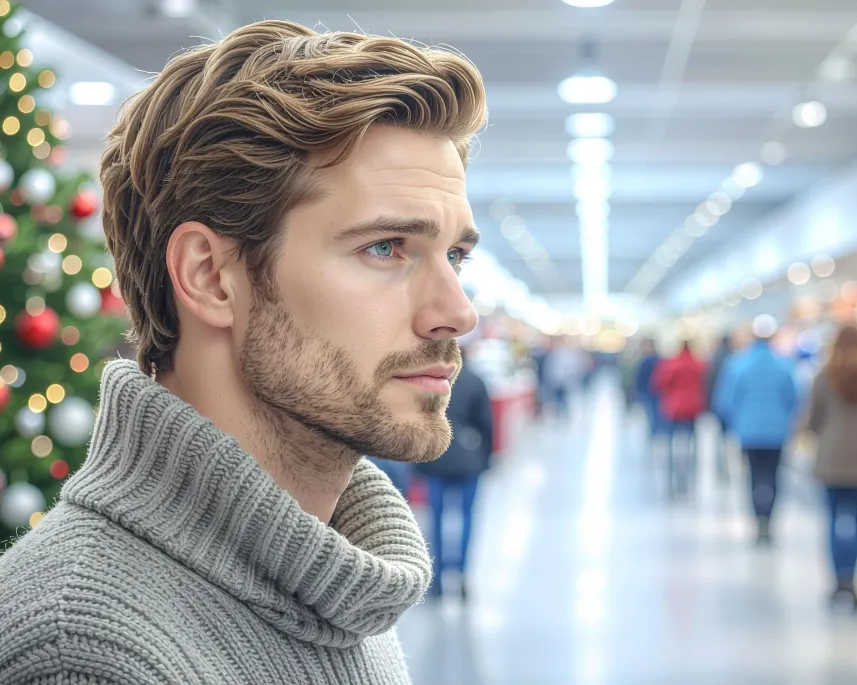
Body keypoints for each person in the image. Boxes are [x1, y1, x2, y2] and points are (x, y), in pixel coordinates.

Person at [0, 21, 486, 684]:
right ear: (209, 275)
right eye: (386, 247)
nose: (457, 313)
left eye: (455, 255)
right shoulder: (84, 655)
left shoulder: (338, 591)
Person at [807, 325, 857, 611]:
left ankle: (837, 580)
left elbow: (813, 420)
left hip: (831, 458)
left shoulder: (823, 377)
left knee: (832, 520)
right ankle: (854, 578)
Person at [415, 349, 494, 600]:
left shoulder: (429, 380)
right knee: (466, 517)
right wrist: (486, 458)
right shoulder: (476, 381)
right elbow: (487, 425)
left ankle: (436, 578)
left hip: (436, 459)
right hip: (469, 461)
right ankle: (461, 574)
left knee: (436, 518)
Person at [714, 315, 800, 545]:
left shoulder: (738, 363)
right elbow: (794, 398)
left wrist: (733, 424)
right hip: (777, 432)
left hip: (749, 431)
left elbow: (726, 401)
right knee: (773, 476)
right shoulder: (784, 364)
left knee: (753, 475)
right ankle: (769, 518)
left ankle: (757, 519)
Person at [652, 340, 707, 497]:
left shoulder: (672, 364)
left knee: (671, 442)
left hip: (674, 406)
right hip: (693, 406)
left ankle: (672, 477)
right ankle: (690, 475)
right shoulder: (698, 364)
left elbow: (660, 383)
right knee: (691, 441)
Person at [705, 334, 734, 481]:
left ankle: (721, 467)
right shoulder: (735, 359)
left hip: (718, 403)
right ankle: (729, 467)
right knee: (731, 438)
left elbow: (709, 381)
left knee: (720, 437)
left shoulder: (715, 359)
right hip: (731, 405)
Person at [635, 339, 667, 441]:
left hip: (653, 391)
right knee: (653, 413)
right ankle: (656, 432)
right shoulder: (657, 359)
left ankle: (656, 432)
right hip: (649, 391)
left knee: (654, 413)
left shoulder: (647, 360)